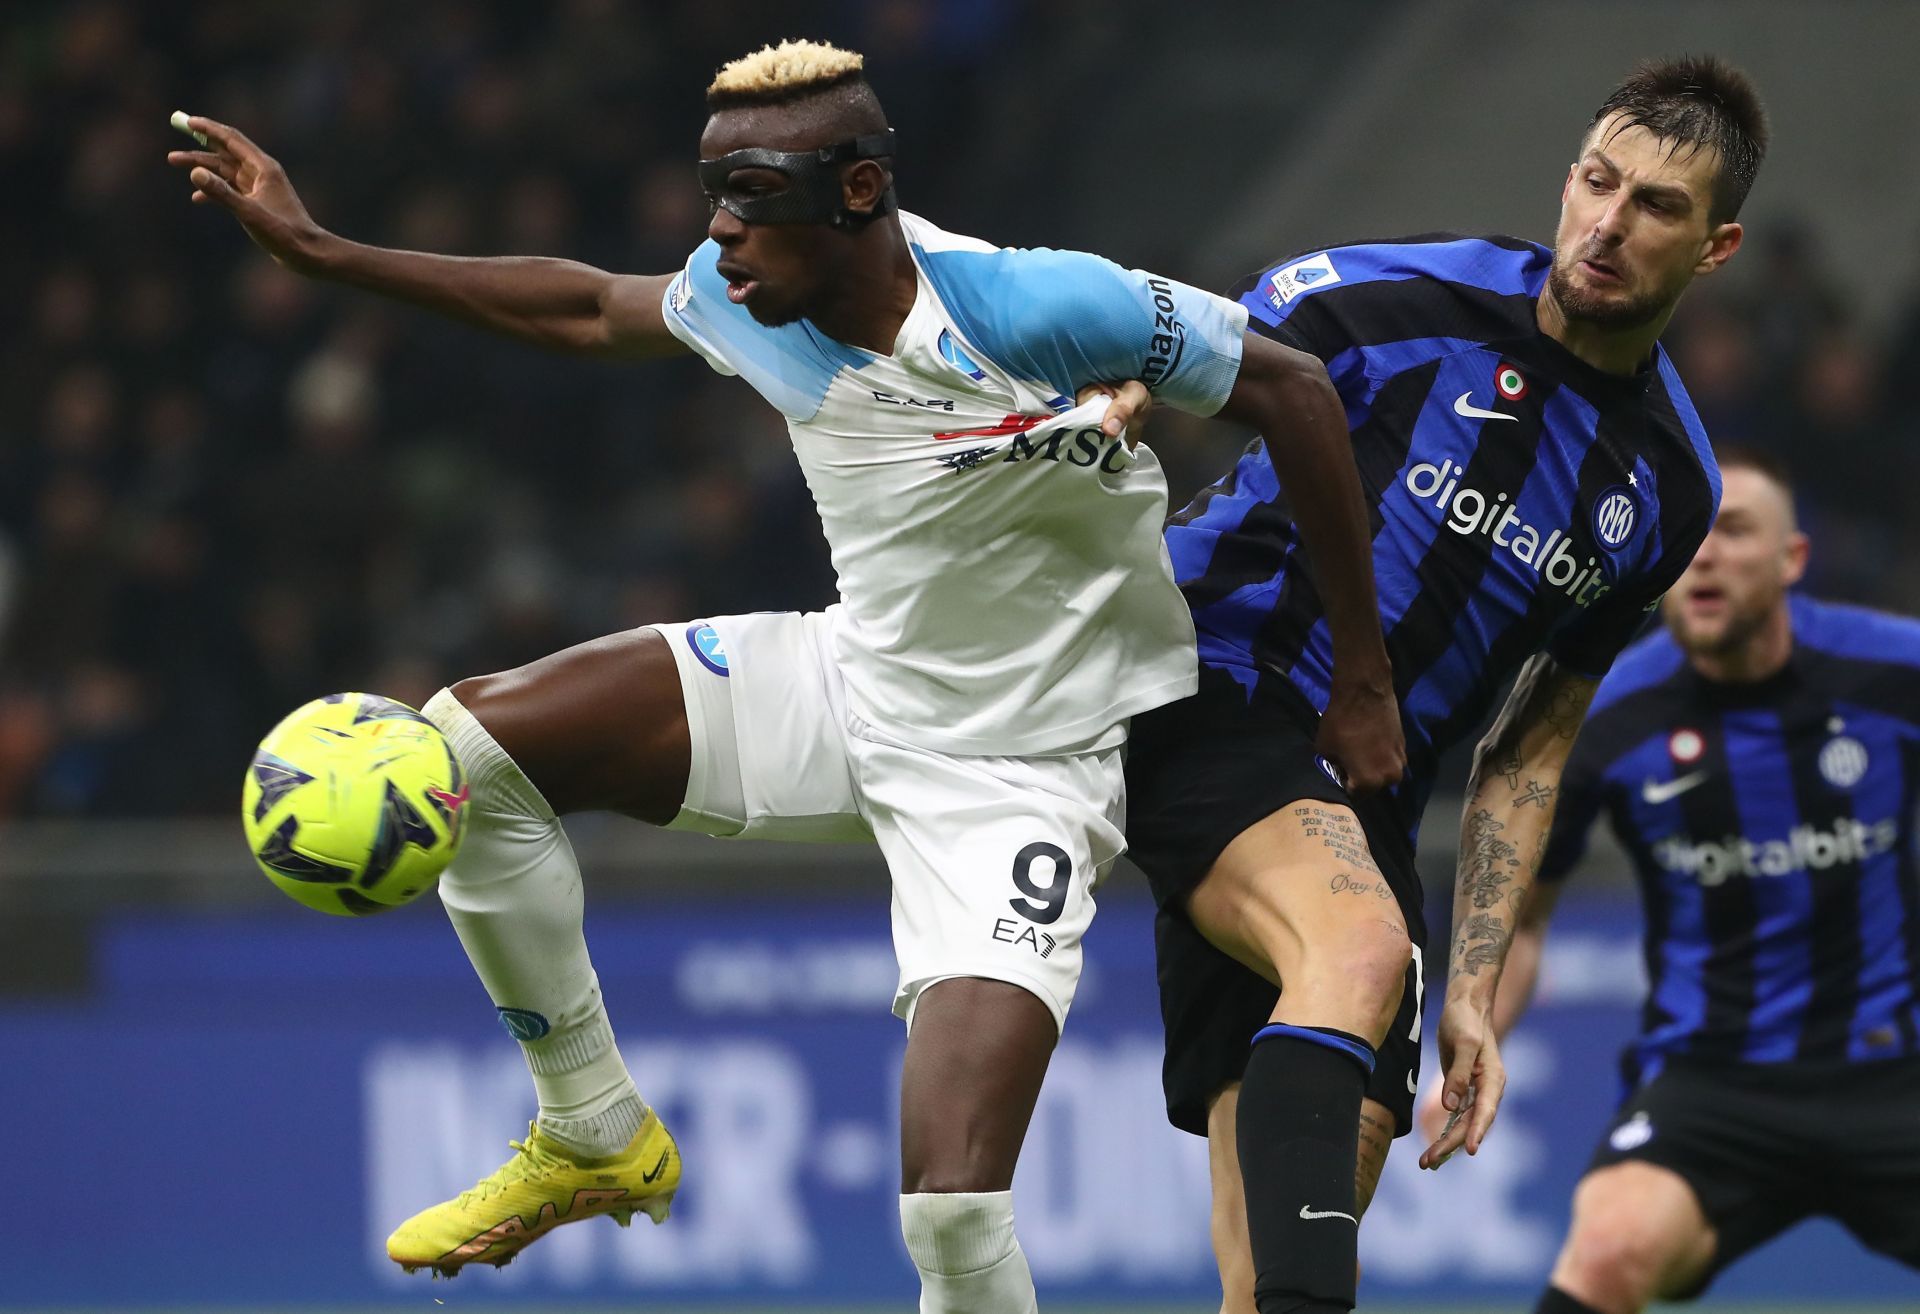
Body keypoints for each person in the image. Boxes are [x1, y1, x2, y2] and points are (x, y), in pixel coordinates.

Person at [169, 39, 1403, 1307]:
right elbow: (590, 307)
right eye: (715, 193)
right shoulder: (738, 297)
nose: (720, 235)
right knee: (465, 746)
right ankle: (592, 1128)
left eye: (751, 196)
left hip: (1021, 775)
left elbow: (1298, 392)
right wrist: (325, 252)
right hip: (849, 679)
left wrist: (1360, 678)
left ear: (859, 192)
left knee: (954, 1210)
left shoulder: (1030, 307)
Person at [1121, 55, 1765, 1314]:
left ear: (1717, 245)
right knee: (1362, 944)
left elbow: (1531, 743)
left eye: (1657, 208)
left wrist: (1472, 977)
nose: (1608, 225)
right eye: (1597, 182)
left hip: (1362, 792)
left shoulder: (1671, 488)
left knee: (1307, 1212)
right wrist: (1113, 404)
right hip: (1212, 682)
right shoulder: (1391, 294)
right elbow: (1183, 358)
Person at [1418, 449, 1920, 1313]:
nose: (1707, 556)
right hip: (1711, 1083)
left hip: (1897, 1072)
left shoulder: (1895, 672)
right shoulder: (1599, 715)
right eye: (1691, 537)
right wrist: (1466, 1047)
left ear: (1792, 561)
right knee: (1609, 1248)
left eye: (1734, 532)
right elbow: (1523, 922)